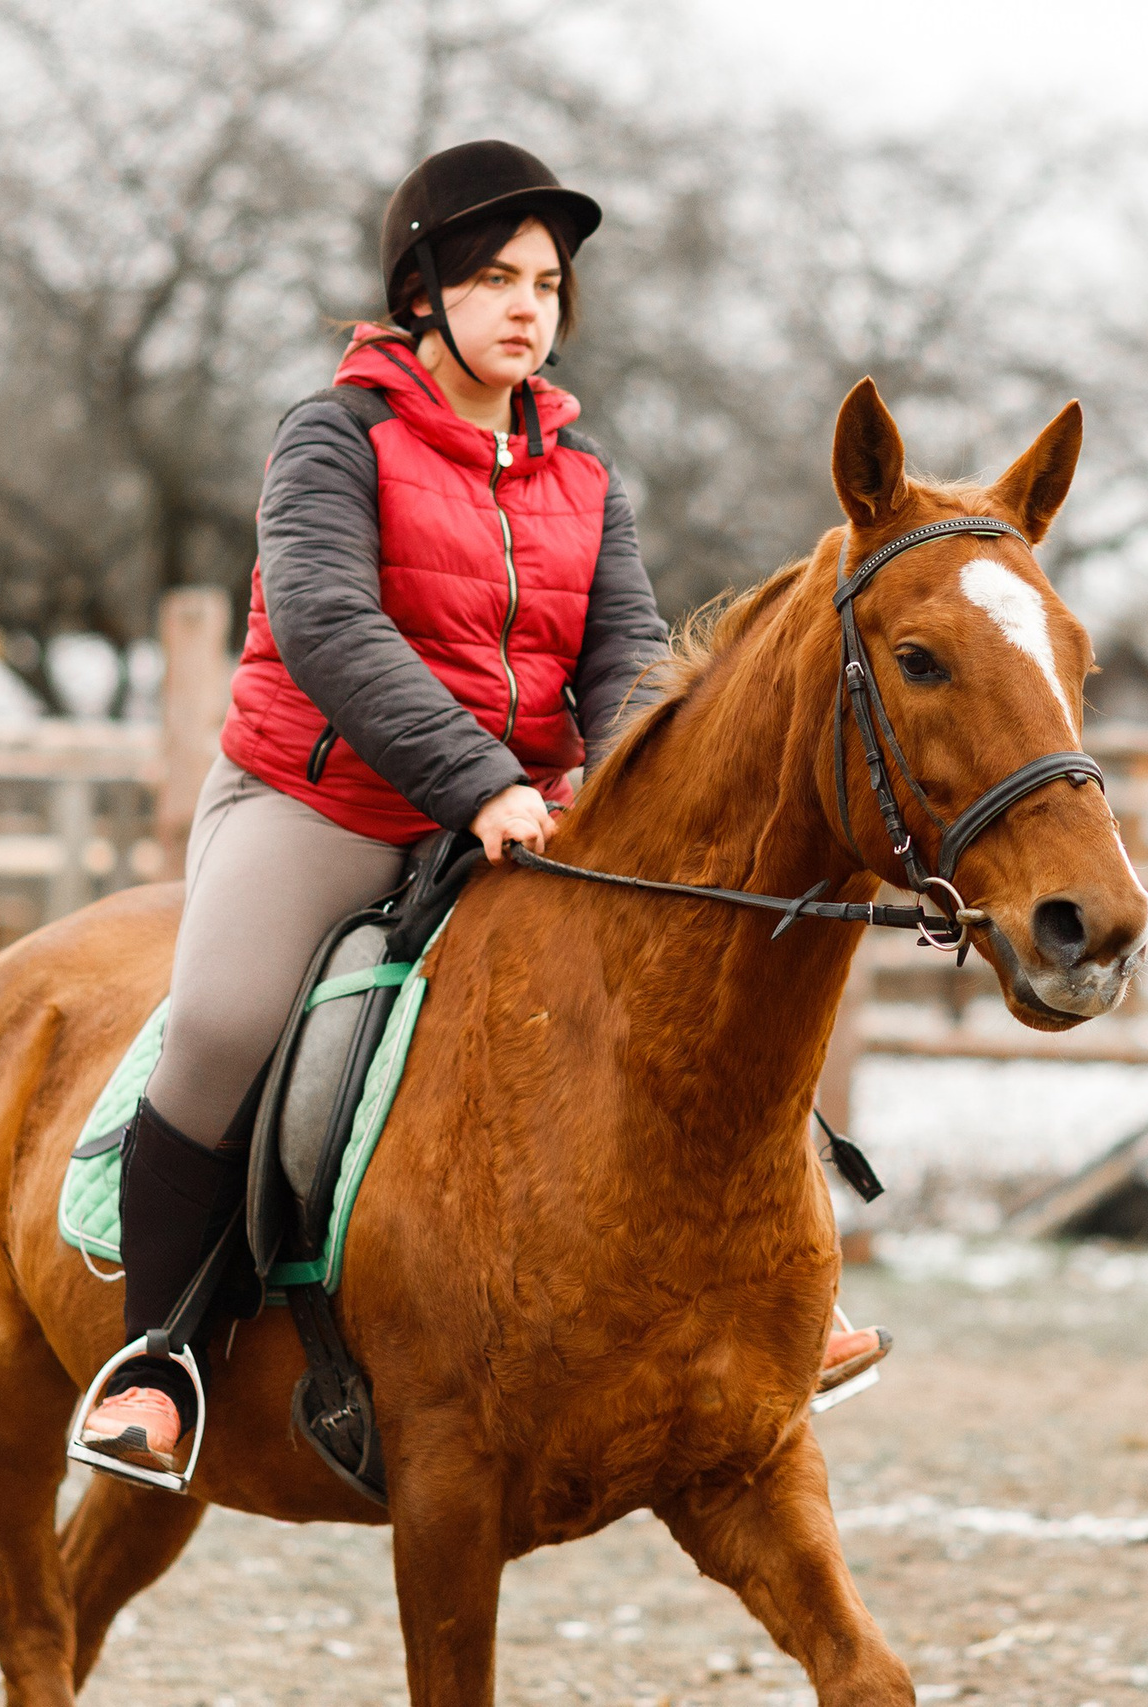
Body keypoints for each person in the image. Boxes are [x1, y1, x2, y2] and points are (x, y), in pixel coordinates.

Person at [80, 141, 890, 1475]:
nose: (530, 306)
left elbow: (625, 659)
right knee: (225, 1023)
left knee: (694, 988)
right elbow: (330, 625)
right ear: (422, 293)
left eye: (550, 284)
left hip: (521, 814)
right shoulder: (332, 437)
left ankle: (784, 1296)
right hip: (320, 800)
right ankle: (157, 1355)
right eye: (498, 278)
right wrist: (481, 786)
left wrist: (643, 795)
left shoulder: (586, 478)